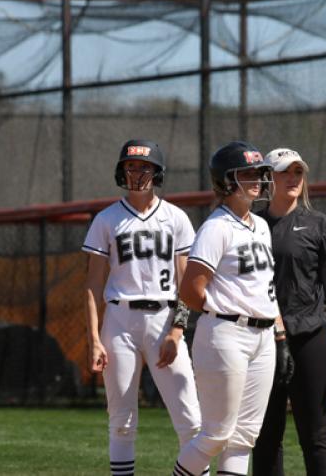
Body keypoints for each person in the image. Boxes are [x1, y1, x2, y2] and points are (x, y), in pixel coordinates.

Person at [172, 141, 292, 476]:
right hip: (226, 334)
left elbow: (265, 289)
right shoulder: (216, 227)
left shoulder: (262, 225)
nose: (257, 179)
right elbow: (190, 290)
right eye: (248, 173)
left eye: (259, 172)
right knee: (216, 434)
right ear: (226, 181)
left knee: (243, 439)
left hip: (263, 337)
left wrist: (279, 336)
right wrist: (227, 311)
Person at [83, 139, 201, 476]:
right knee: (121, 420)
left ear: (157, 172)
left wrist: (178, 330)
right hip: (119, 320)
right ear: (122, 172)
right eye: (131, 166)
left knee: (191, 419)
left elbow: (185, 282)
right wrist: (93, 337)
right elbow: (92, 284)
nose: (137, 173)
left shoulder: (176, 218)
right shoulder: (106, 219)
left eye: (144, 167)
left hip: (164, 319)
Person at [252, 148, 326, 476]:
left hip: (309, 337)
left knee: (315, 434)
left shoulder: (320, 224)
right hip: (261, 341)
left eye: (298, 172)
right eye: (285, 171)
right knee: (265, 435)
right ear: (267, 178)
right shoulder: (249, 225)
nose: (293, 178)